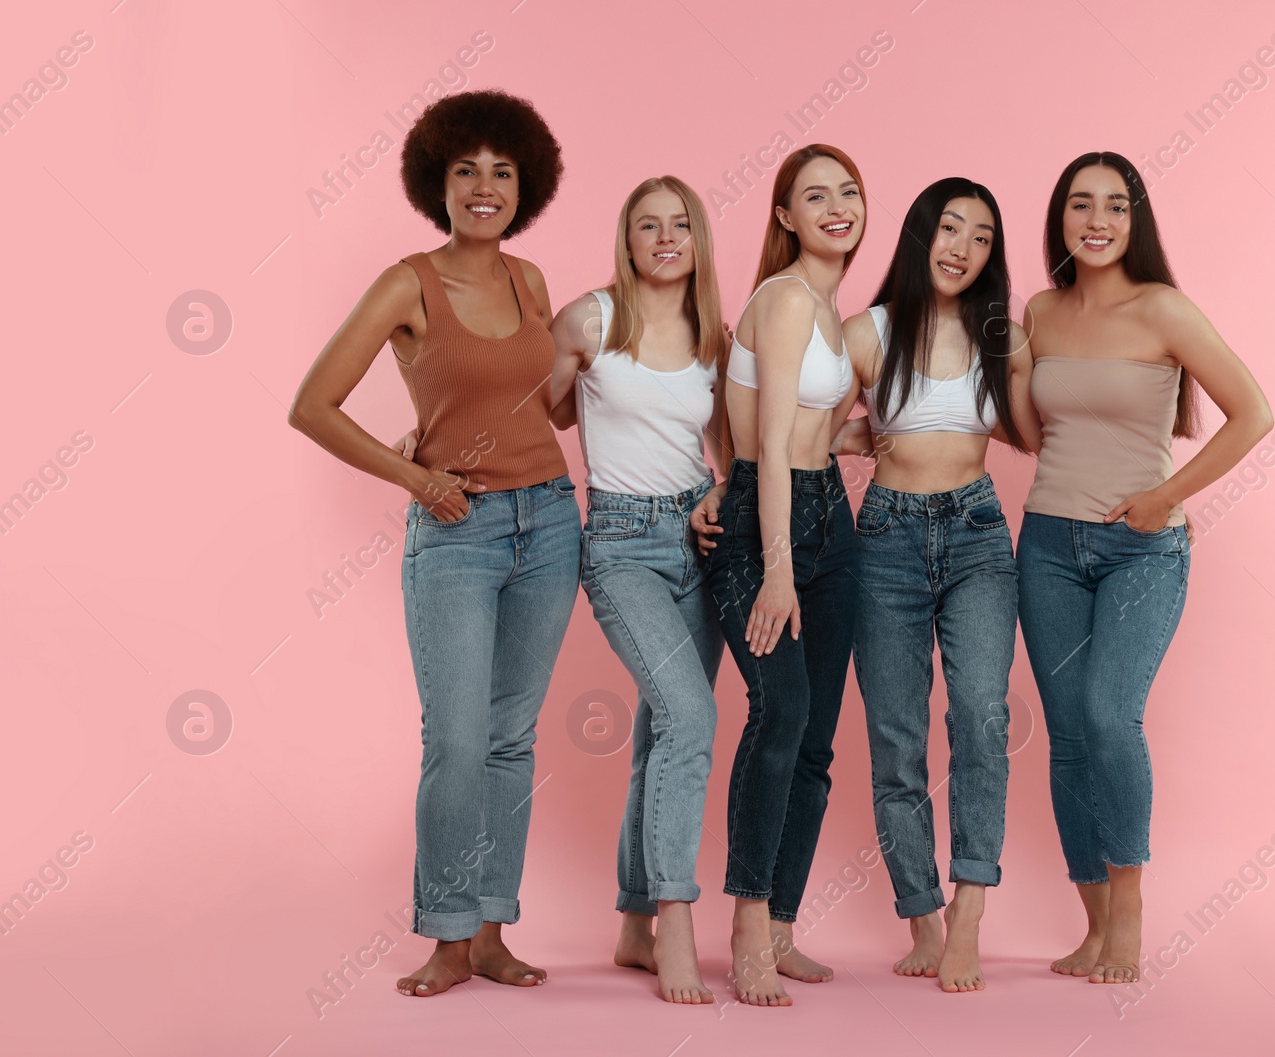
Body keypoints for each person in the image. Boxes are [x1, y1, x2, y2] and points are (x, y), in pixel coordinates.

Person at [288, 89, 577, 998]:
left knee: (511, 739)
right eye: (466, 171)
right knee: (455, 738)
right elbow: (311, 405)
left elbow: (549, 403)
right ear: (437, 183)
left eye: (502, 171)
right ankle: (447, 937)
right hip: (457, 532)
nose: (485, 187)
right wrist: (415, 476)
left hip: (551, 522)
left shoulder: (531, 282)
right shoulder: (407, 282)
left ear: (524, 185)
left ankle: (492, 930)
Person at [1017, 152, 1273, 985]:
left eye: (1115, 207)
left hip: (1141, 549)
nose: (1097, 221)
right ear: (1060, 218)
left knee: (1106, 714)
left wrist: (1165, 497)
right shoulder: (1040, 312)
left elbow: (1253, 413)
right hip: (1048, 545)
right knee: (1063, 736)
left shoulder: (1163, 308)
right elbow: (1028, 429)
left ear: (1135, 221)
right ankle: (1093, 924)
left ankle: (1128, 909)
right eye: (1081, 205)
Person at [830, 177, 1037, 993]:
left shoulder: (1001, 332)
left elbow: (1036, 431)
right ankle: (921, 913)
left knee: (983, 716)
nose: (962, 247)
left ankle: (969, 917)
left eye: (981, 236)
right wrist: (852, 431)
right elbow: (798, 429)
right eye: (949, 228)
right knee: (895, 735)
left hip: (980, 534)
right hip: (884, 538)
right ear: (920, 236)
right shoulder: (867, 333)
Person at [546, 176, 729, 1004]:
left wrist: (720, 493)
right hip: (619, 541)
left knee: (663, 731)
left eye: (678, 224)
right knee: (692, 715)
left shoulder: (715, 336)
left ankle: (630, 924)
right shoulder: (591, 318)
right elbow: (537, 410)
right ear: (625, 240)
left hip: (699, 539)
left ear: (697, 240)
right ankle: (674, 918)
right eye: (647, 225)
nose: (664, 237)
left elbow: (729, 447)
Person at [690, 144, 865, 1006]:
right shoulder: (788, 299)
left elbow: (809, 433)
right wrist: (778, 571)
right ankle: (749, 921)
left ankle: (787, 921)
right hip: (773, 525)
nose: (838, 206)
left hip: (832, 516)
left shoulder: (834, 313)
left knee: (819, 736)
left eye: (849, 192)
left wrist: (865, 438)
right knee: (781, 708)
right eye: (815, 195)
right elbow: (766, 455)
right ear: (784, 217)